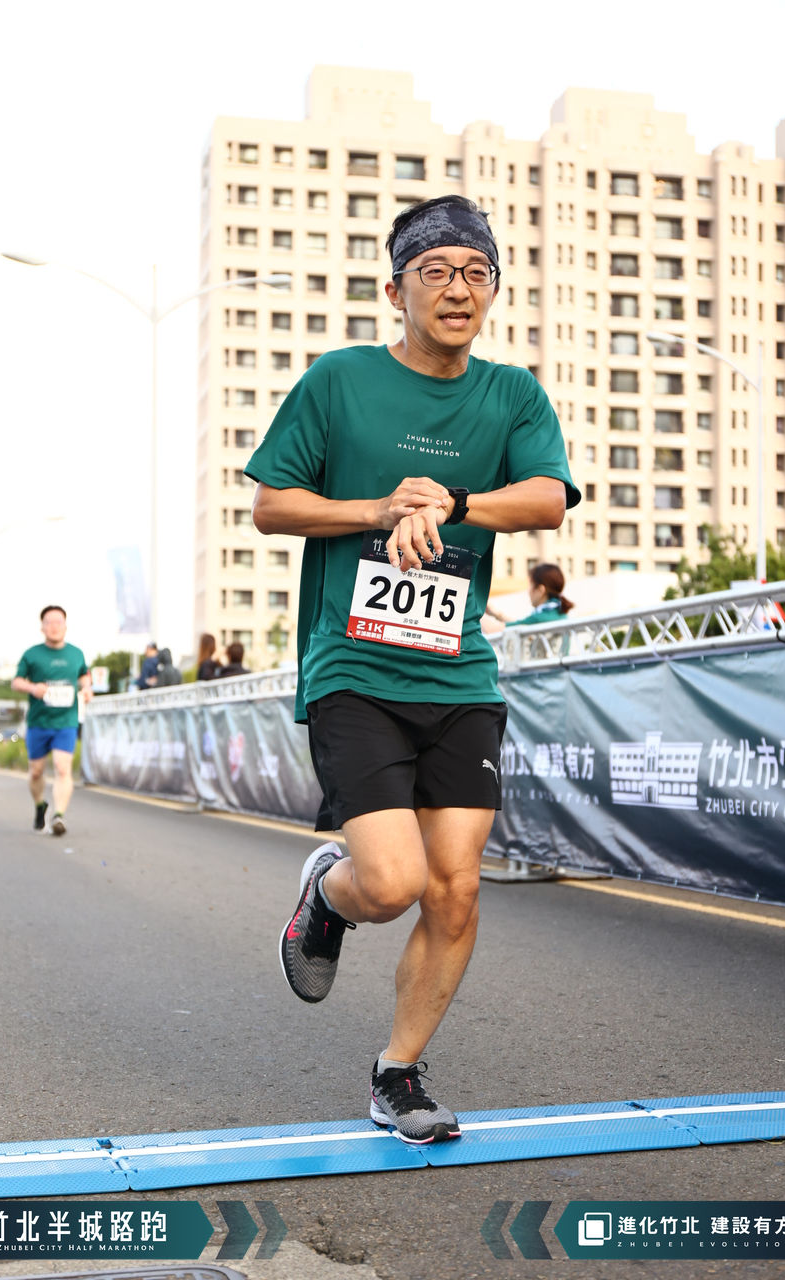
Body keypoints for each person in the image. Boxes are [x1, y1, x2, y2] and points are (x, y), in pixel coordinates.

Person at [246, 194, 580, 1144]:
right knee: (391, 883)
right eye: (435, 271)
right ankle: (329, 893)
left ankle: (396, 1075)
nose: (457, 289)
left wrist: (455, 502)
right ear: (396, 291)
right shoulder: (340, 380)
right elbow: (272, 506)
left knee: (456, 886)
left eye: (476, 273)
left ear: (493, 291)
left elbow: (547, 498)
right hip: (353, 668)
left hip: (459, 673)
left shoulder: (511, 394)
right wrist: (379, 510)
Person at [12, 605, 92, 836]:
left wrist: (87, 688)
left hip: (66, 721)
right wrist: (32, 688)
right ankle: (40, 806)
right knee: (36, 772)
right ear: (42, 627)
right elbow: (16, 682)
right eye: (49, 622)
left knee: (62, 767)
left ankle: (59, 816)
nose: (54, 626)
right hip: (39, 722)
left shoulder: (76, 653)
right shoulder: (32, 654)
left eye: (58, 622)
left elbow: (84, 676)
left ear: (65, 626)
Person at [489, 562, 575, 627]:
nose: (528, 591)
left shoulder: (540, 618)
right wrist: (495, 614)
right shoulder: (559, 613)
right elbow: (520, 624)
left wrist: (482, 614)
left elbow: (500, 629)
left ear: (540, 590)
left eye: (530, 585)